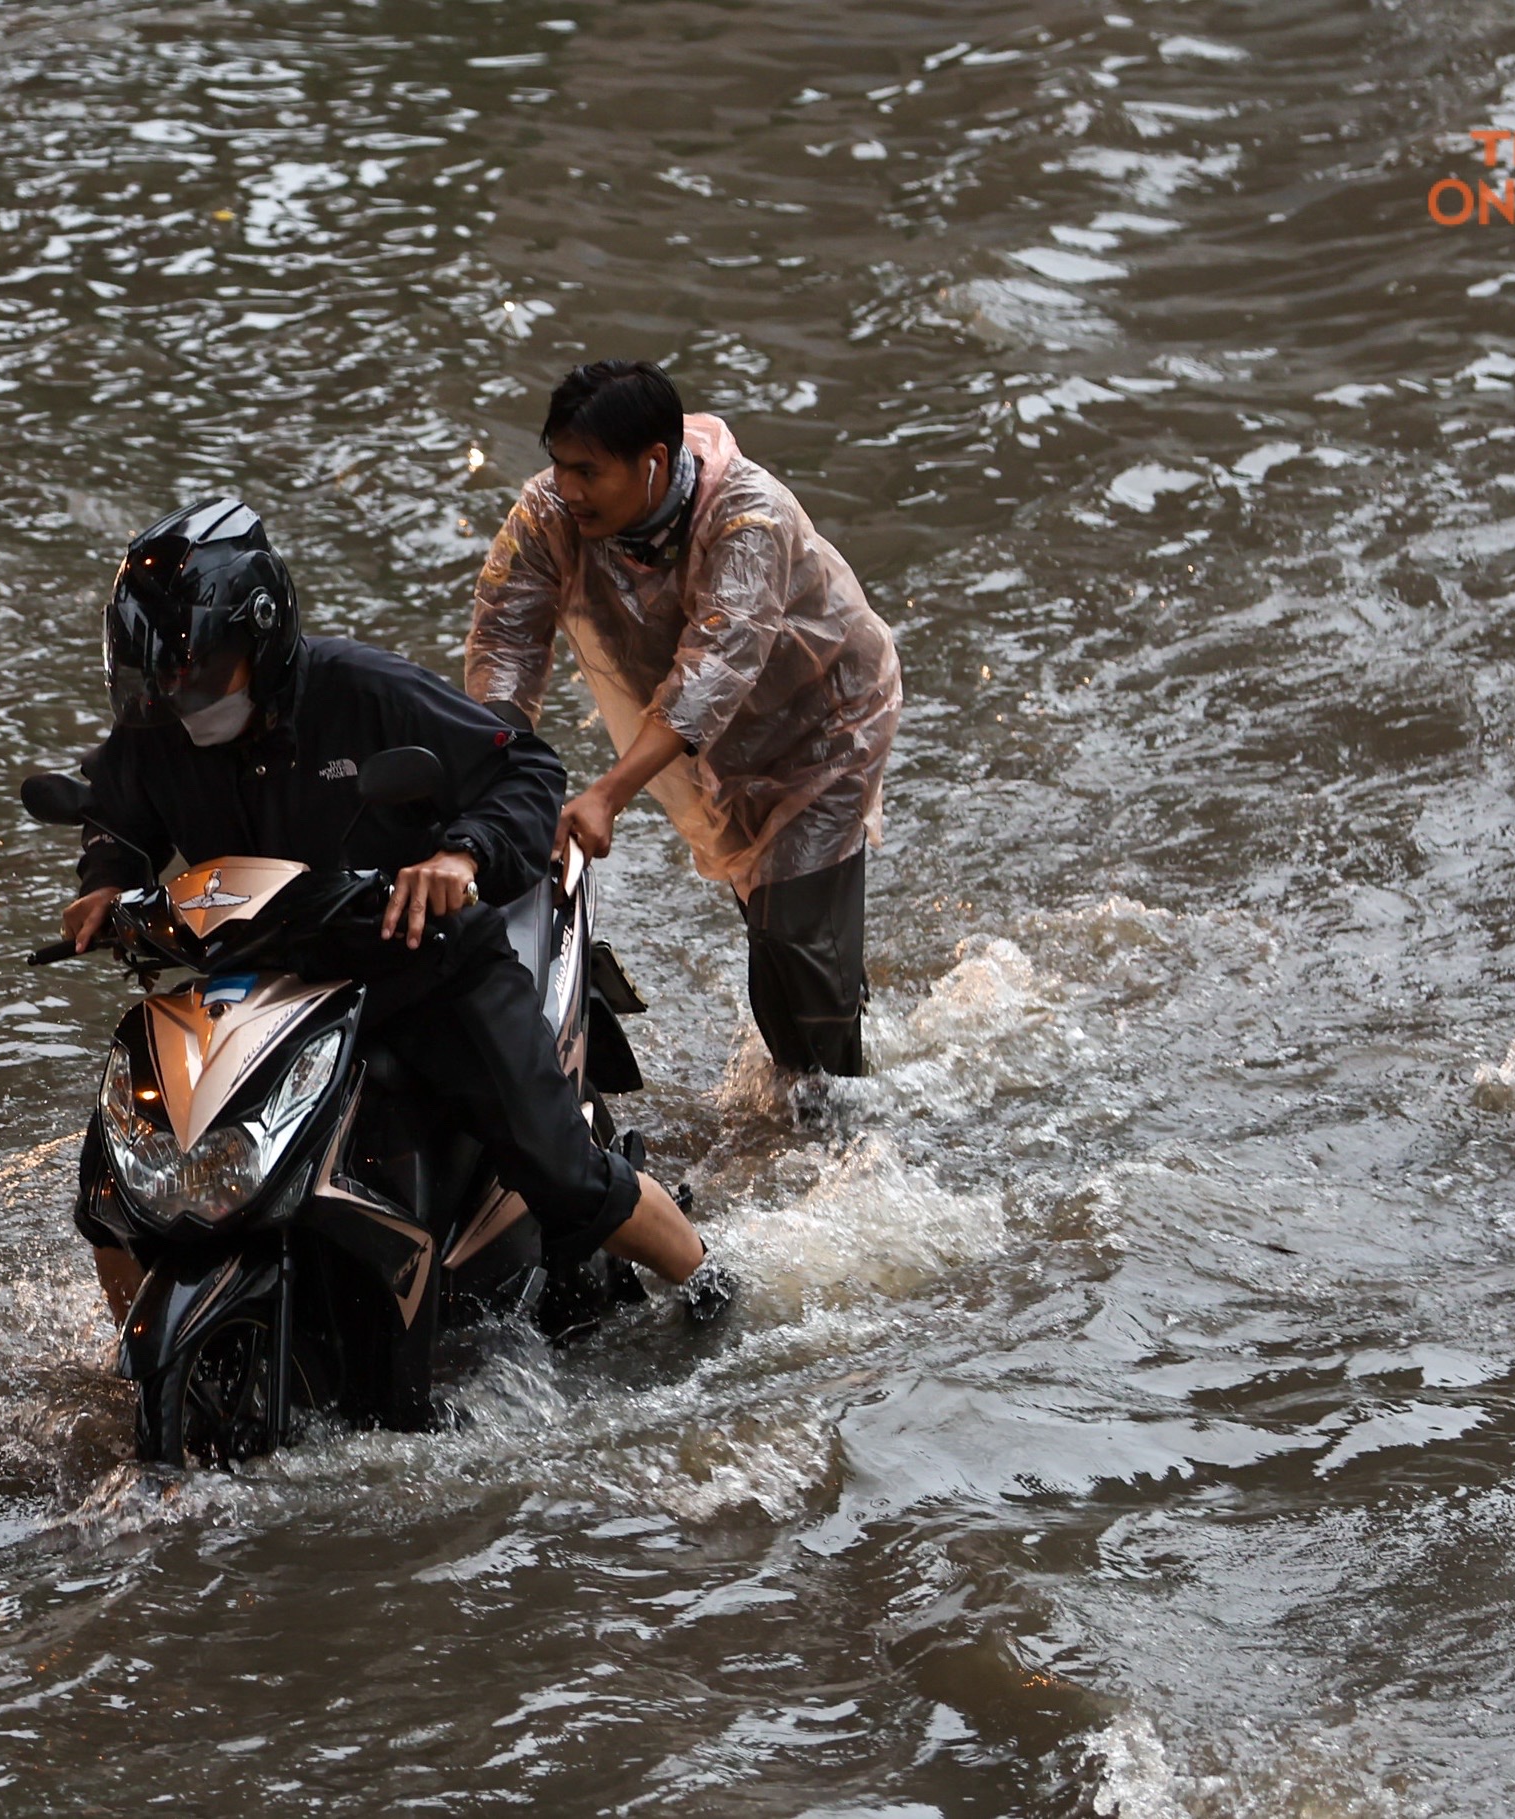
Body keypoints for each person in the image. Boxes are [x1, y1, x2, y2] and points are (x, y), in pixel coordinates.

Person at [58, 497, 732, 1326]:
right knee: (118, 1180)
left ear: (261, 634)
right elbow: (116, 812)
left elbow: (523, 771)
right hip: (262, 986)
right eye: (159, 674)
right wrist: (106, 880)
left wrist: (461, 854)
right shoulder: (158, 729)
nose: (176, 690)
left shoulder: (366, 693)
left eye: (195, 668)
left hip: (423, 969)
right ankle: (136, 1356)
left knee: (560, 1171)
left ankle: (708, 1279)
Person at [466, 360, 902, 1082]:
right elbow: (505, 640)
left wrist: (606, 792)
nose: (566, 488)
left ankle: (835, 1118)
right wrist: (497, 765)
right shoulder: (548, 516)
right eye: (559, 466)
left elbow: (715, 669)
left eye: (588, 470)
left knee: (789, 933)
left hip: (825, 727)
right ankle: (821, 1047)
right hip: (715, 748)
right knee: (775, 924)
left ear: (654, 464)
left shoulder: (748, 514)